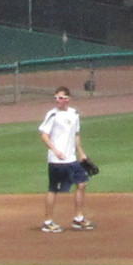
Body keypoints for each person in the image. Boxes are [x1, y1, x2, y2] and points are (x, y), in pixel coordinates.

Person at [37, 87, 94, 231]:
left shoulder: (74, 114)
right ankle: (48, 222)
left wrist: (81, 153)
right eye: (56, 97)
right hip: (56, 161)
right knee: (53, 189)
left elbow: (76, 134)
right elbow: (44, 134)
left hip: (71, 158)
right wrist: (55, 151)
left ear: (68, 99)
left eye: (61, 98)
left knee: (82, 183)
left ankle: (78, 218)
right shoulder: (52, 115)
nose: (57, 100)